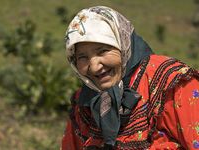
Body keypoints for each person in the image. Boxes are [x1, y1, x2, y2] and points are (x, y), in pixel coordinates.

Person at [61, 6, 199, 150]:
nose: (94, 67)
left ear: (123, 43)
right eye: (82, 57)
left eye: (103, 51)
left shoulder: (171, 83)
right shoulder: (84, 104)